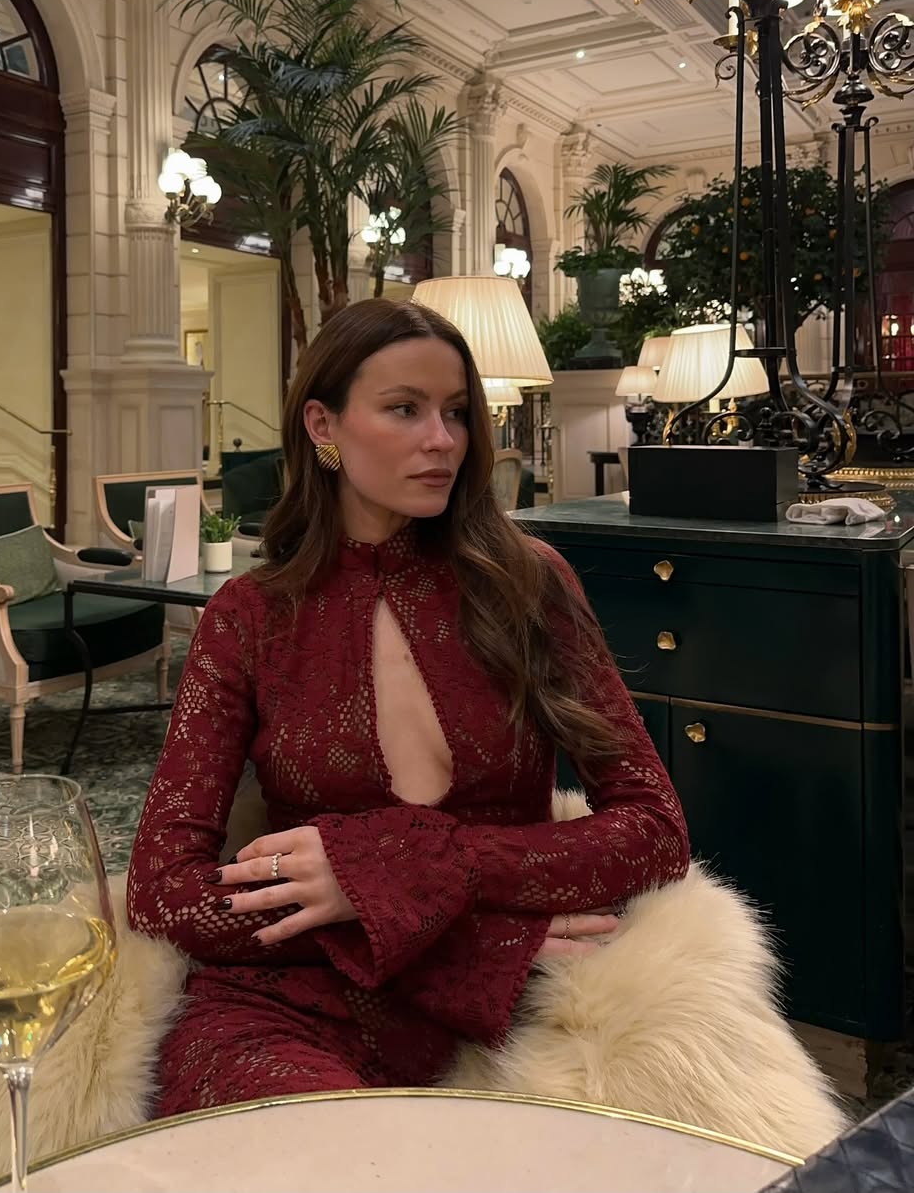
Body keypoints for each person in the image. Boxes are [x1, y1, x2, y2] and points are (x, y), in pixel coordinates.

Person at [127, 298, 689, 1115]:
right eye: (404, 409)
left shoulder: (531, 584)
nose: (443, 439)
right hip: (289, 1004)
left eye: (456, 412)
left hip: (512, 991)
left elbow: (654, 829)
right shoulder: (247, 617)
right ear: (323, 425)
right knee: (325, 1160)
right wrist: (432, 926)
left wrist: (408, 868)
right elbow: (162, 890)